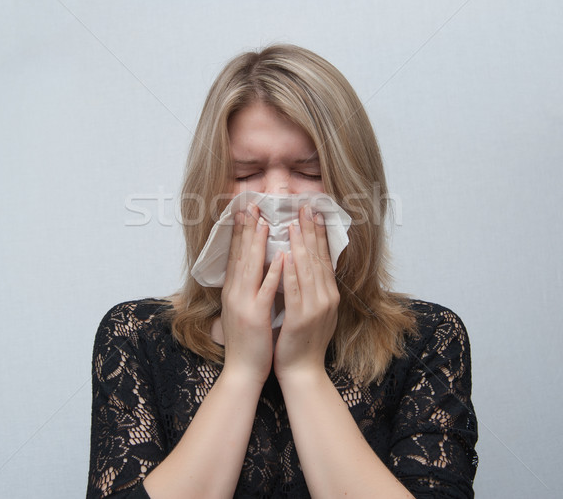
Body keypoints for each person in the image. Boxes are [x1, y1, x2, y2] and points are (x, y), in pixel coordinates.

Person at [86, 45, 478, 498]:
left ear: (354, 187)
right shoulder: (136, 336)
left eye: (308, 171)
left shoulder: (429, 340)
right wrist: (243, 372)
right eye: (246, 172)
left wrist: (303, 371)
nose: (276, 196)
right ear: (209, 188)